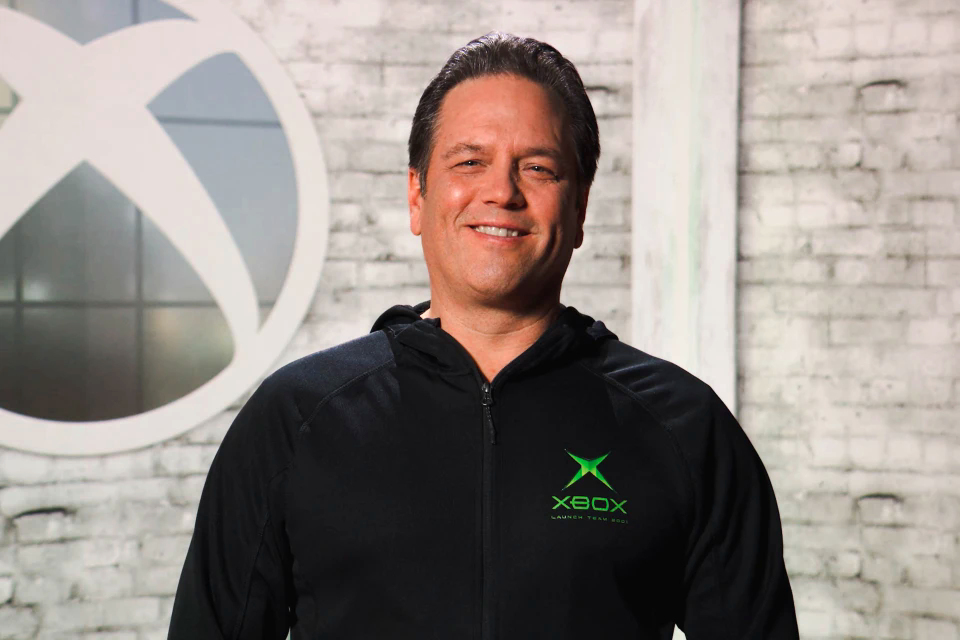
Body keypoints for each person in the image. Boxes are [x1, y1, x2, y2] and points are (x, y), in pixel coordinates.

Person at [168, 32, 799, 639]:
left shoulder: (684, 427)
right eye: (470, 162)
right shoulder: (296, 420)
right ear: (417, 196)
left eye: (539, 168)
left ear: (580, 208)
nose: (501, 192)